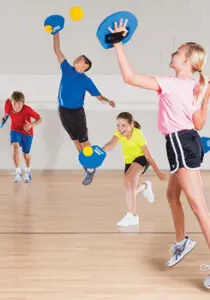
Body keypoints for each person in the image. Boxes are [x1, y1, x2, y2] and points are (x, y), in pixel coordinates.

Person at [108, 19, 210, 288]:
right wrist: (206, 95)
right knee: (171, 195)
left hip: (181, 144)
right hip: (185, 142)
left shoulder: (174, 83)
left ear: (187, 61)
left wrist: (117, 44)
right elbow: (198, 124)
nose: (173, 54)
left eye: (178, 51)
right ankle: (181, 242)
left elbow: (129, 78)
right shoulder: (193, 87)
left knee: (199, 207)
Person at [52, 32, 115, 185]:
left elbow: (99, 97)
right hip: (63, 111)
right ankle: (86, 167)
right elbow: (57, 51)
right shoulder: (67, 69)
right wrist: (56, 33)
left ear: (85, 66)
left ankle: (91, 167)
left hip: (77, 113)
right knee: (75, 142)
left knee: (85, 142)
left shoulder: (86, 81)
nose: (77, 59)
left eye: (80, 59)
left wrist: (108, 102)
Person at [103, 112, 166, 226]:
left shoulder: (138, 134)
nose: (120, 128)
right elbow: (111, 144)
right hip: (129, 162)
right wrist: (101, 151)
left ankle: (132, 216)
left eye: (123, 125)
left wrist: (158, 172)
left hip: (141, 159)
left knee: (127, 178)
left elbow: (148, 155)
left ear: (131, 125)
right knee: (130, 189)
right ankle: (145, 186)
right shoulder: (118, 133)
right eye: (118, 125)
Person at [3, 91, 42, 183]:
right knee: (15, 148)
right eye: (15, 103)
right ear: (11, 103)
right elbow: (7, 102)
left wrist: (31, 124)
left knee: (26, 155)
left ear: (23, 103)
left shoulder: (27, 109)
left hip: (27, 133)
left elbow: (40, 119)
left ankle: (28, 171)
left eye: (19, 104)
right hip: (15, 130)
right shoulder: (8, 105)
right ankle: (18, 173)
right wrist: (5, 115)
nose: (17, 106)